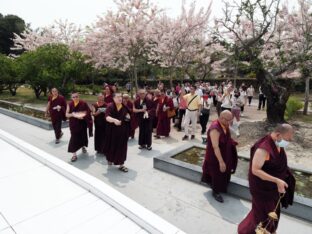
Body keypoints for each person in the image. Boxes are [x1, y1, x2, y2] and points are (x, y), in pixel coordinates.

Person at [238, 124, 296, 234]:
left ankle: (262, 230)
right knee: (264, 215)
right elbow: (255, 170)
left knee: (265, 212)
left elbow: (277, 162)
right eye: (288, 139)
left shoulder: (276, 143)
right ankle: (252, 231)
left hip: (272, 188)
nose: (289, 141)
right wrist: (277, 180)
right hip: (262, 189)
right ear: (278, 135)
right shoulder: (263, 149)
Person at [201, 110, 238, 203]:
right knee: (216, 173)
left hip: (225, 153)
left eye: (231, 120)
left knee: (225, 172)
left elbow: (226, 137)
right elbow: (215, 146)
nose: (230, 122)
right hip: (216, 156)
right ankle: (215, 192)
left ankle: (222, 186)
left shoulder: (224, 125)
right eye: (228, 120)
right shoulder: (215, 128)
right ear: (221, 118)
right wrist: (221, 162)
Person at [103, 93, 131, 172]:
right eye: (118, 97)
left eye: (121, 97)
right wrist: (114, 120)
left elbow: (129, 117)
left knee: (122, 148)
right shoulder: (110, 106)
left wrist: (128, 118)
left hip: (122, 132)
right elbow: (107, 117)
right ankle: (110, 159)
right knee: (111, 146)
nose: (120, 98)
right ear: (113, 98)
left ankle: (121, 164)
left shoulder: (124, 107)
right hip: (112, 132)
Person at [66, 92, 93, 162]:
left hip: (82, 124)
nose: (75, 98)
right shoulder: (70, 104)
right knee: (73, 138)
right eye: (73, 97)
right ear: (71, 98)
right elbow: (66, 115)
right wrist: (73, 115)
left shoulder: (83, 103)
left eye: (76, 96)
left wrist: (83, 116)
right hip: (74, 124)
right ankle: (74, 155)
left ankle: (83, 146)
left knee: (83, 136)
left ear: (79, 96)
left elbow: (88, 112)